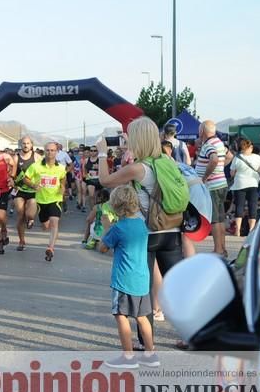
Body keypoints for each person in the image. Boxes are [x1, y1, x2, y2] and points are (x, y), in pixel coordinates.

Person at [97, 116, 184, 350]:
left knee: (141, 291)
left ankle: (147, 348)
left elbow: (105, 180)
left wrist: (103, 153)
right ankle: (192, 335)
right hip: (172, 230)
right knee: (177, 286)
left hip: (147, 233)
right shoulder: (167, 160)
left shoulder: (137, 168)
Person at [99, 185, 158, 369]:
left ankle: (128, 357)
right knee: (142, 317)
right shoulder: (141, 224)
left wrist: (106, 228)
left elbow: (102, 248)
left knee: (121, 316)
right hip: (142, 278)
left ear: (115, 205)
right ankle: (151, 354)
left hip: (124, 279)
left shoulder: (118, 228)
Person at [23, 142, 66, 262]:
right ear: (44, 151)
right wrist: (33, 185)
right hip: (41, 200)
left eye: (52, 150)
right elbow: (25, 179)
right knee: (45, 225)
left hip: (55, 199)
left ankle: (50, 248)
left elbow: (63, 179)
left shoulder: (61, 168)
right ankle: (40, 222)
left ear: (57, 152)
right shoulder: (36, 166)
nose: (50, 153)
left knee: (54, 223)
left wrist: (62, 187)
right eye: (47, 150)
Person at [195, 120, 230, 257]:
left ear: (202, 131)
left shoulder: (208, 144)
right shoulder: (219, 142)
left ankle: (218, 250)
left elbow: (214, 159)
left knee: (215, 219)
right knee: (220, 218)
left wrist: (205, 177)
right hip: (221, 183)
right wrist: (220, 170)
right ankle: (223, 247)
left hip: (212, 186)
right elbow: (229, 156)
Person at [229, 137, 260, 235]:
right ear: (251, 147)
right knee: (252, 206)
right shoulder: (258, 158)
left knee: (239, 206)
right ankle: (251, 230)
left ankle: (237, 230)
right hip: (254, 183)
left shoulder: (237, 158)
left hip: (240, 184)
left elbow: (232, 173)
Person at [13, 137, 39, 251]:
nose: (26, 145)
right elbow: (12, 174)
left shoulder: (37, 157)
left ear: (31, 145)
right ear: (21, 145)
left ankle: (31, 219)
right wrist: (11, 180)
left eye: (28, 143)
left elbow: (43, 171)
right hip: (20, 189)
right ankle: (21, 240)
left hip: (33, 190)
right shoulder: (16, 158)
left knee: (30, 214)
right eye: (23, 143)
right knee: (20, 213)